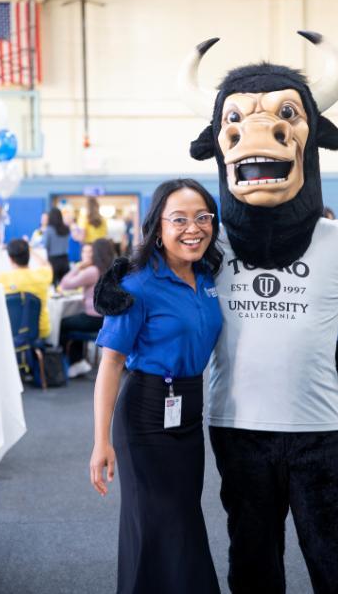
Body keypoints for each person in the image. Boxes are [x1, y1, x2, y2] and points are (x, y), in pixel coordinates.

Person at [97, 33, 338, 594]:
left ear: (311, 139)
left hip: (319, 429)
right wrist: (114, 281)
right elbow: (156, 267)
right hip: (234, 428)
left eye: (286, 116)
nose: (262, 135)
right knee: (252, 563)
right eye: (239, 122)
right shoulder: (211, 249)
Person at [90, 179, 223, 594]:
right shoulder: (138, 285)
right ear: (157, 228)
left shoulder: (208, 276)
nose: (193, 228)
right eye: (179, 219)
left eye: (203, 218)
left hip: (189, 411)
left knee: (184, 517)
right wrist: (100, 442)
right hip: (145, 415)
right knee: (152, 524)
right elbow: (110, 364)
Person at [59, 238, 116, 378]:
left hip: (93, 318)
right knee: (75, 321)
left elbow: (65, 284)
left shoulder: (92, 271)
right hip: (108, 319)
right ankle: (79, 360)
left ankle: (74, 362)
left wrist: (79, 267)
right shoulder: (114, 269)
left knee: (63, 324)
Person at [44, 207, 70, 286]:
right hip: (65, 259)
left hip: (53, 260)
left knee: (53, 284)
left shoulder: (49, 229)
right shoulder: (66, 228)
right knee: (65, 285)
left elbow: (46, 245)